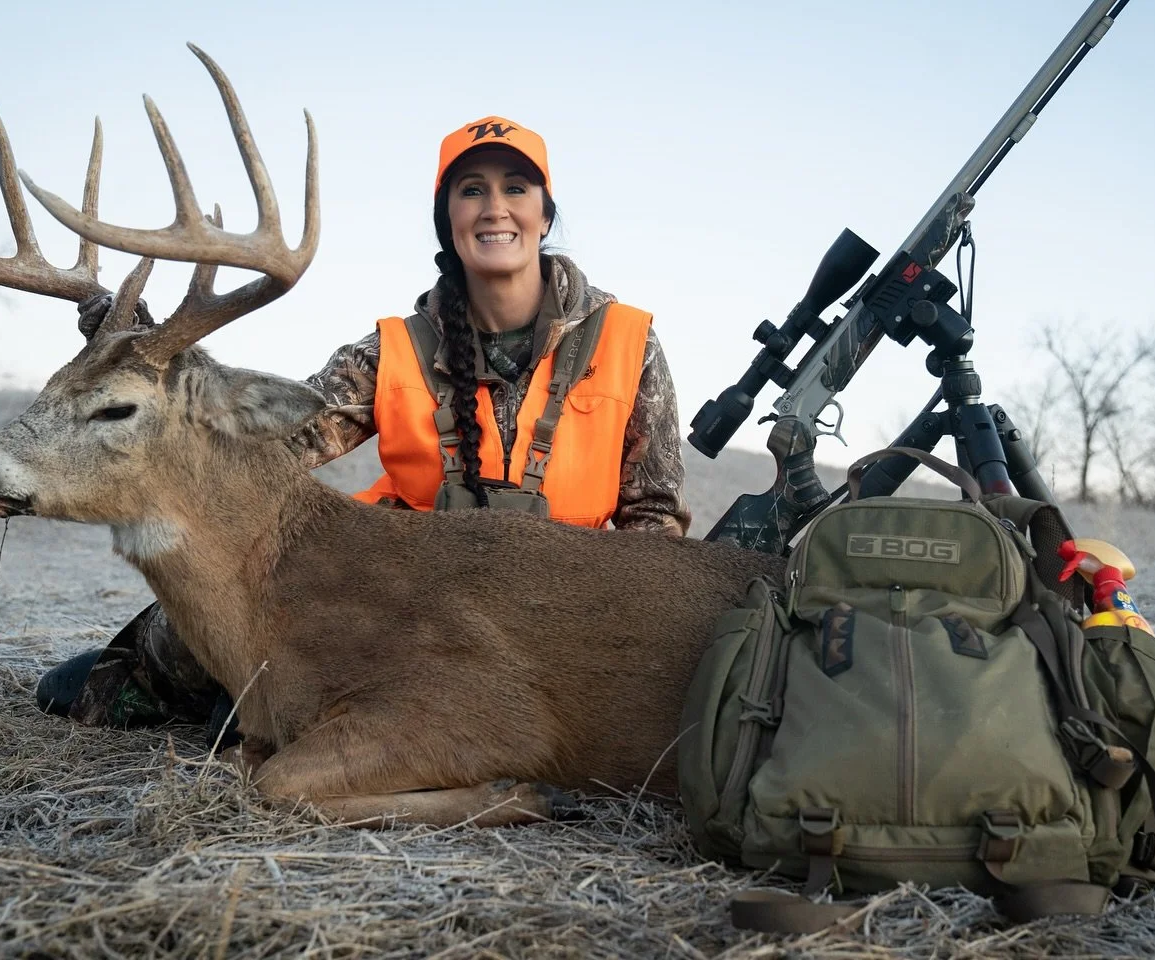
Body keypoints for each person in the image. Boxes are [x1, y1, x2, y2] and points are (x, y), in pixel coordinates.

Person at [37, 115, 693, 733]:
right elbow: (269, 450)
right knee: (203, 623)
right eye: (471, 191)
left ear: (543, 214)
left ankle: (279, 705)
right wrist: (160, 359)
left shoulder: (626, 343)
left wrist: (623, 625)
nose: (495, 207)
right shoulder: (393, 351)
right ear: (449, 219)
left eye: (515, 188)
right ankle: (162, 678)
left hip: (558, 605)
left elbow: (654, 519)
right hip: (402, 598)